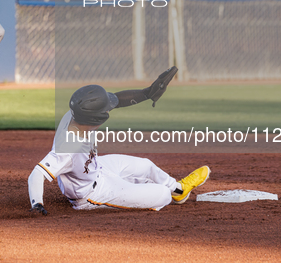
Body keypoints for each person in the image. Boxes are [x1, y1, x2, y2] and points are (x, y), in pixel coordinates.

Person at [27, 67, 211, 214]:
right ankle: (150, 190)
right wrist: (37, 205)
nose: (109, 110)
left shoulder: (79, 113)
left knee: (146, 166)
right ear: (96, 119)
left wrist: (147, 93)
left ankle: (179, 190)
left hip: (98, 167)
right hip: (91, 193)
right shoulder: (68, 147)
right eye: (105, 111)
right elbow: (37, 173)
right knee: (162, 195)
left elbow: (118, 100)